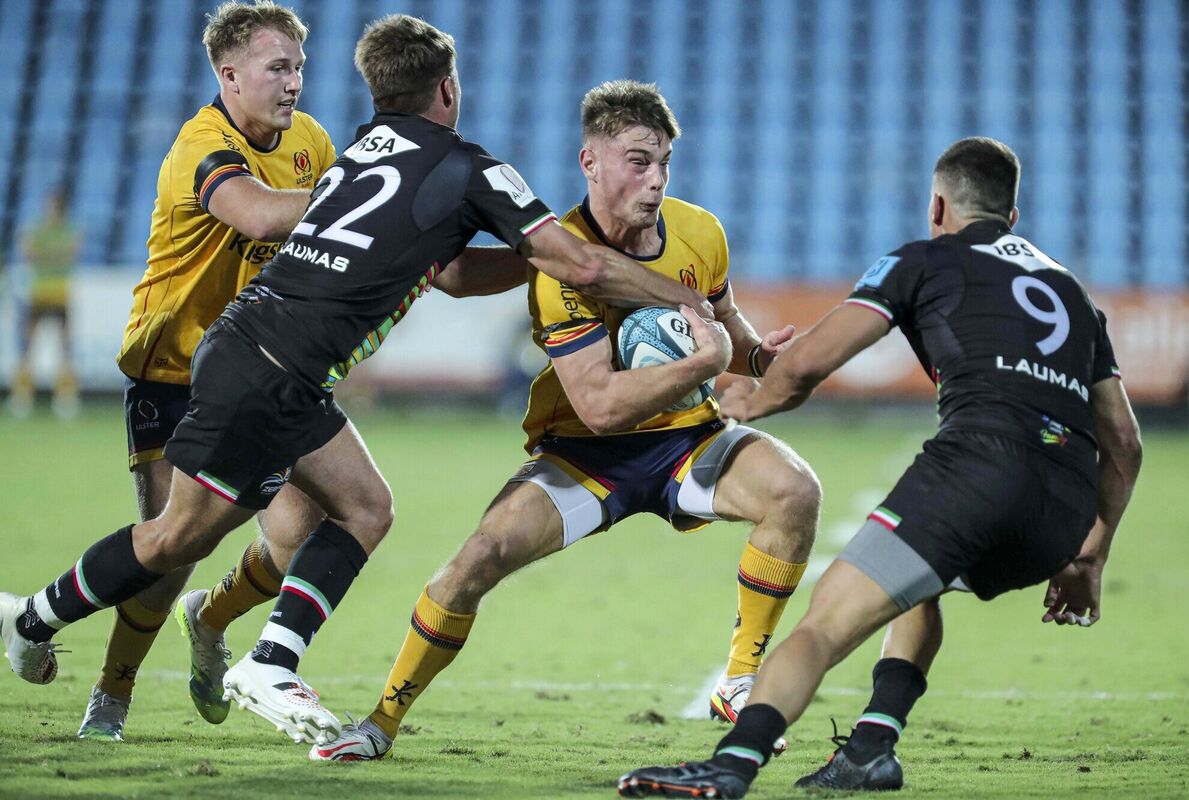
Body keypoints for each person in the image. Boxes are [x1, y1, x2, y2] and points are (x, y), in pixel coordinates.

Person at [0, 14, 707, 749]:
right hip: (271, 369)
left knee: (291, 517)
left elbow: (456, 272)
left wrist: (537, 257)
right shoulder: (469, 167)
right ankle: (250, 659)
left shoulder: (356, 156)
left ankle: (41, 620)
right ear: (447, 87)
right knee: (221, 529)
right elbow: (584, 264)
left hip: (256, 356)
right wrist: (680, 295)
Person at [309, 80, 822, 763]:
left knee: (795, 492)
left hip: (687, 441)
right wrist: (707, 364)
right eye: (639, 161)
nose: (657, 179)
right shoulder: (559, 261)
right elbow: (600, 406)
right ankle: (380, 722)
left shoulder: (701, 232)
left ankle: (739, 680)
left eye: (665, 162)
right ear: (591, 162)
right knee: (475, 561)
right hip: (587, 455)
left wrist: (759, 357)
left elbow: (724, 325)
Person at [616, 137, 1142, 798]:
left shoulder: (922, 260)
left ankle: (731, 765)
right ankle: (870, 749)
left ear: (938, 204)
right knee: (920, 579)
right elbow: (1123, 442)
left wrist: (750, 403)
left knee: (828, 618)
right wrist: (1090, 557)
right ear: (1012, 216)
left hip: (979, 465)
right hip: (1063, 504)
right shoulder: (1073, 297)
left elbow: (808, 363)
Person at [74, 0, 336, 742]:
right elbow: (255, 215)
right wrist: (356, 200)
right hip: (174, 368)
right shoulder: (200, 144)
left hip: (261, 367)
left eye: (299, 68)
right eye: (277, 68)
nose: (293, 83)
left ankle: (211, 619)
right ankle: (113, 695)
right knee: (171, 546)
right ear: (229, 75)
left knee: (297, 535)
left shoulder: (311, 141)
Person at [9, 190, 81, 419]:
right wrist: (55, 255)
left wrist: (44, 255)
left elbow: (67, 253)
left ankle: (65, 398)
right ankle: (22, 397)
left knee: (65, 349)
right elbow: (30, 252)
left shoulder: (66, 229)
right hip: (39, 294)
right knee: (28, 347)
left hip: (58, 294)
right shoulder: (40, 228)